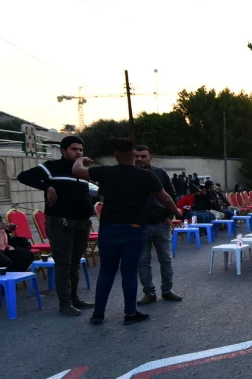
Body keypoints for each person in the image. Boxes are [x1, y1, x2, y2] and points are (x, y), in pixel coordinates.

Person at [72, 138, 180, 325]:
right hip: (135, 229)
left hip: (108, 228)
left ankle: (98, 313)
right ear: (133, 155)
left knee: (106, 271)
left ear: (115, 155)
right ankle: (130, 313)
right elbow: (166, 198)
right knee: (129, 271)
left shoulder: (105, 172)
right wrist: (176, 211)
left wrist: (82, 159)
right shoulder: (147, 176)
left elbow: (77, 171)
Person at [16, 136, 95, 316]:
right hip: (61, 223)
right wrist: (47, 187)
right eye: (74, 149)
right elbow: (23, 176)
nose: (78, 153)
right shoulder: (52, 167)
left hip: (81, 223)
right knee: (63, 264)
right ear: (63, 151)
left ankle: (74, 298)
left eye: (81, 150)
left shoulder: (82, 171)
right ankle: (64, 303)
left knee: (75, 263)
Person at [134, 146, 182, 305]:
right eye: (137, 156)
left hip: (161, 224)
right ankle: (149, 292)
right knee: (143, 261)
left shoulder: (160, 173)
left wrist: (170, 215)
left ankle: (167, 290)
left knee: (166, 259)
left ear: (150, 157)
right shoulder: (129, 174)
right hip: (139, 226)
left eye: (143, 156)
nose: (139, 159)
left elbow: (172, 195)